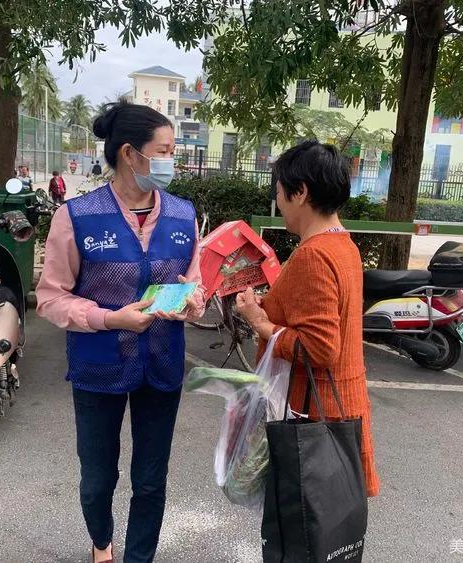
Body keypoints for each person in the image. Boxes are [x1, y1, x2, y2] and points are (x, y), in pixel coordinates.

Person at [36, 101, 205, 563]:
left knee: (150, 479)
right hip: (99, 365)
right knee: (97, 479)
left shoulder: (182, 214)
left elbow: (194, 283)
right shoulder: (77, 216)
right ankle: (102, 542)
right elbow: (50, 297)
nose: (172, 160)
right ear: (130, 154)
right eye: (164, 151)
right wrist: (110, 318)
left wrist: (193, 301)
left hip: (162, 364)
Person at [235, 140, 380, 498]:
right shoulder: (343, 245)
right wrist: (269, 306)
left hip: (313, 414)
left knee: (303, 518)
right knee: (326, 519)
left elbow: (320, 347)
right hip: (341, 405)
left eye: (279, 193)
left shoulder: (313, 255)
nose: (278, 202)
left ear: (300, 193)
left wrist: (260, 323)